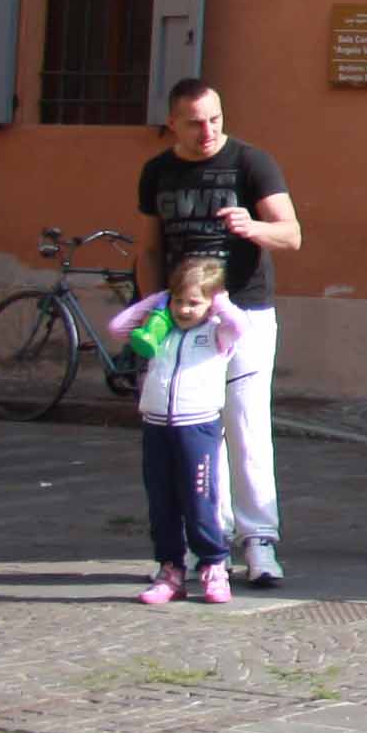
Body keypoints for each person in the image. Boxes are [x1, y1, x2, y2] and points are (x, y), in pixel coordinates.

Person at [137, 80, 301, 590]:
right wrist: (152, 314)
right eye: (194, 122)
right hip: (183, 317)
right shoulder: (157, 172)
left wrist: (252, 226)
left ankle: (260, 540)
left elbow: (291, 234)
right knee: (196, 431)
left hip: (245, 312)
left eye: (215, 118)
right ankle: (211, 542)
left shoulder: (253, 163)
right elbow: (148, 249)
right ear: (172, 124)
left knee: (246, 423)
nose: (207, 131)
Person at [109, 257, 245, 605]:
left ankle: (214, 565)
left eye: (194, 302)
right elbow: (117, 328)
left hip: (197, 428)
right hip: (156, 426)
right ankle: (170, 569)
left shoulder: (216, 332)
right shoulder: (162, 328)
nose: (184, 309)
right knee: (162, 503)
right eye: (178, 301)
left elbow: (241, 325)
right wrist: (154, 304)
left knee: (199, 502)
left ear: (211, 302)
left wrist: (220, 303)